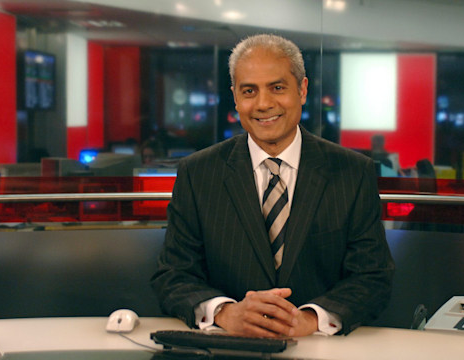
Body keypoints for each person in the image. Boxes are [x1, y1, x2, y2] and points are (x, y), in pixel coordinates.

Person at [151, 34, 395, 338]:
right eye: (249, 91)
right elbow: (173, 274)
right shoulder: (198, 173)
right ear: (236, 98)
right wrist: (227, 313)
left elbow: (372, 277)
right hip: (229, 348)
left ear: (302, 90)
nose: (264, 104)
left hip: (319, 348)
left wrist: (310, 319)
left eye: (277, 88)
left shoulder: (352, 172)